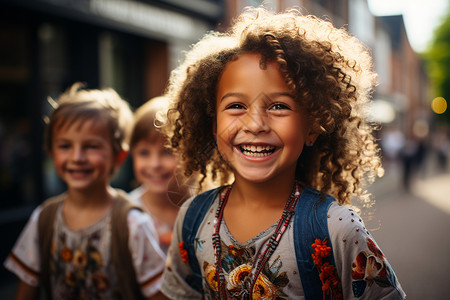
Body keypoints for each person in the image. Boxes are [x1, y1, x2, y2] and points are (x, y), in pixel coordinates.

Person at [159, 7, 406, 300]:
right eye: (236, 106)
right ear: (212, 124)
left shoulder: (337, 228)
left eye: (279, 106)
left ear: (313, 126)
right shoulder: (192, 217)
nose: (255, 124)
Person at [4, 83, 166, 299]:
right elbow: (26, 289)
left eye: (91, 146)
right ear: (51, 152)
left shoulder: (133, 223)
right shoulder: (43, 218)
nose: (77, 157)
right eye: (65, 146)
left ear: (118, 156)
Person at [128, 96, 191, 254]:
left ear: (189, 152)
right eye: (144, 153)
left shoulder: (204, 208)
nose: (154, 164)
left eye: (167, 151)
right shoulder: (127, 213)